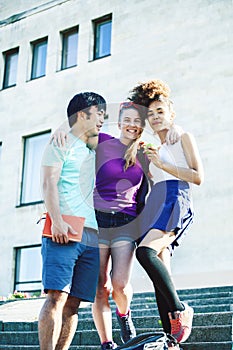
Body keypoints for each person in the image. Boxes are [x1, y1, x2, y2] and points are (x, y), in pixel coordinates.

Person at [51, 101, 182, 350]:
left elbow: (167, 160)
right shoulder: (103, 141)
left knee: (119, 284)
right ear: (120, 122)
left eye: (137, 121)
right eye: (128, 120)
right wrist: (61, 130)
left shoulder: (145, 151)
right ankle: (107, 342)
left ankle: (124, 316)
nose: (132, 125)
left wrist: (176, 128)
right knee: (100, 285)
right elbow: (78, 132)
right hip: (98, 221)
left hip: (126, 223)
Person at [129, 79, 204, 347]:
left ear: (170, 112)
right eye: (150, 114)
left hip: (176, 197)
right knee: (162, 277)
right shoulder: (150, 147)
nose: (156, 117)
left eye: (160, 111)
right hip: (155, 203)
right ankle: (170, 340)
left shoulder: (182, 136)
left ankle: (181, 310)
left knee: (145, 252)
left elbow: (198, 176)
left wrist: (163, 163)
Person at [38, 92, 106, 350]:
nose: (102, 118)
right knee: (57, 296)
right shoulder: (60, 142)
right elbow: (48, 182)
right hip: (63, 227)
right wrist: (56, 221)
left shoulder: (92, 146)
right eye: (98, 113)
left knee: (74, 303)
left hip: (91, 233)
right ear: (82, 114)